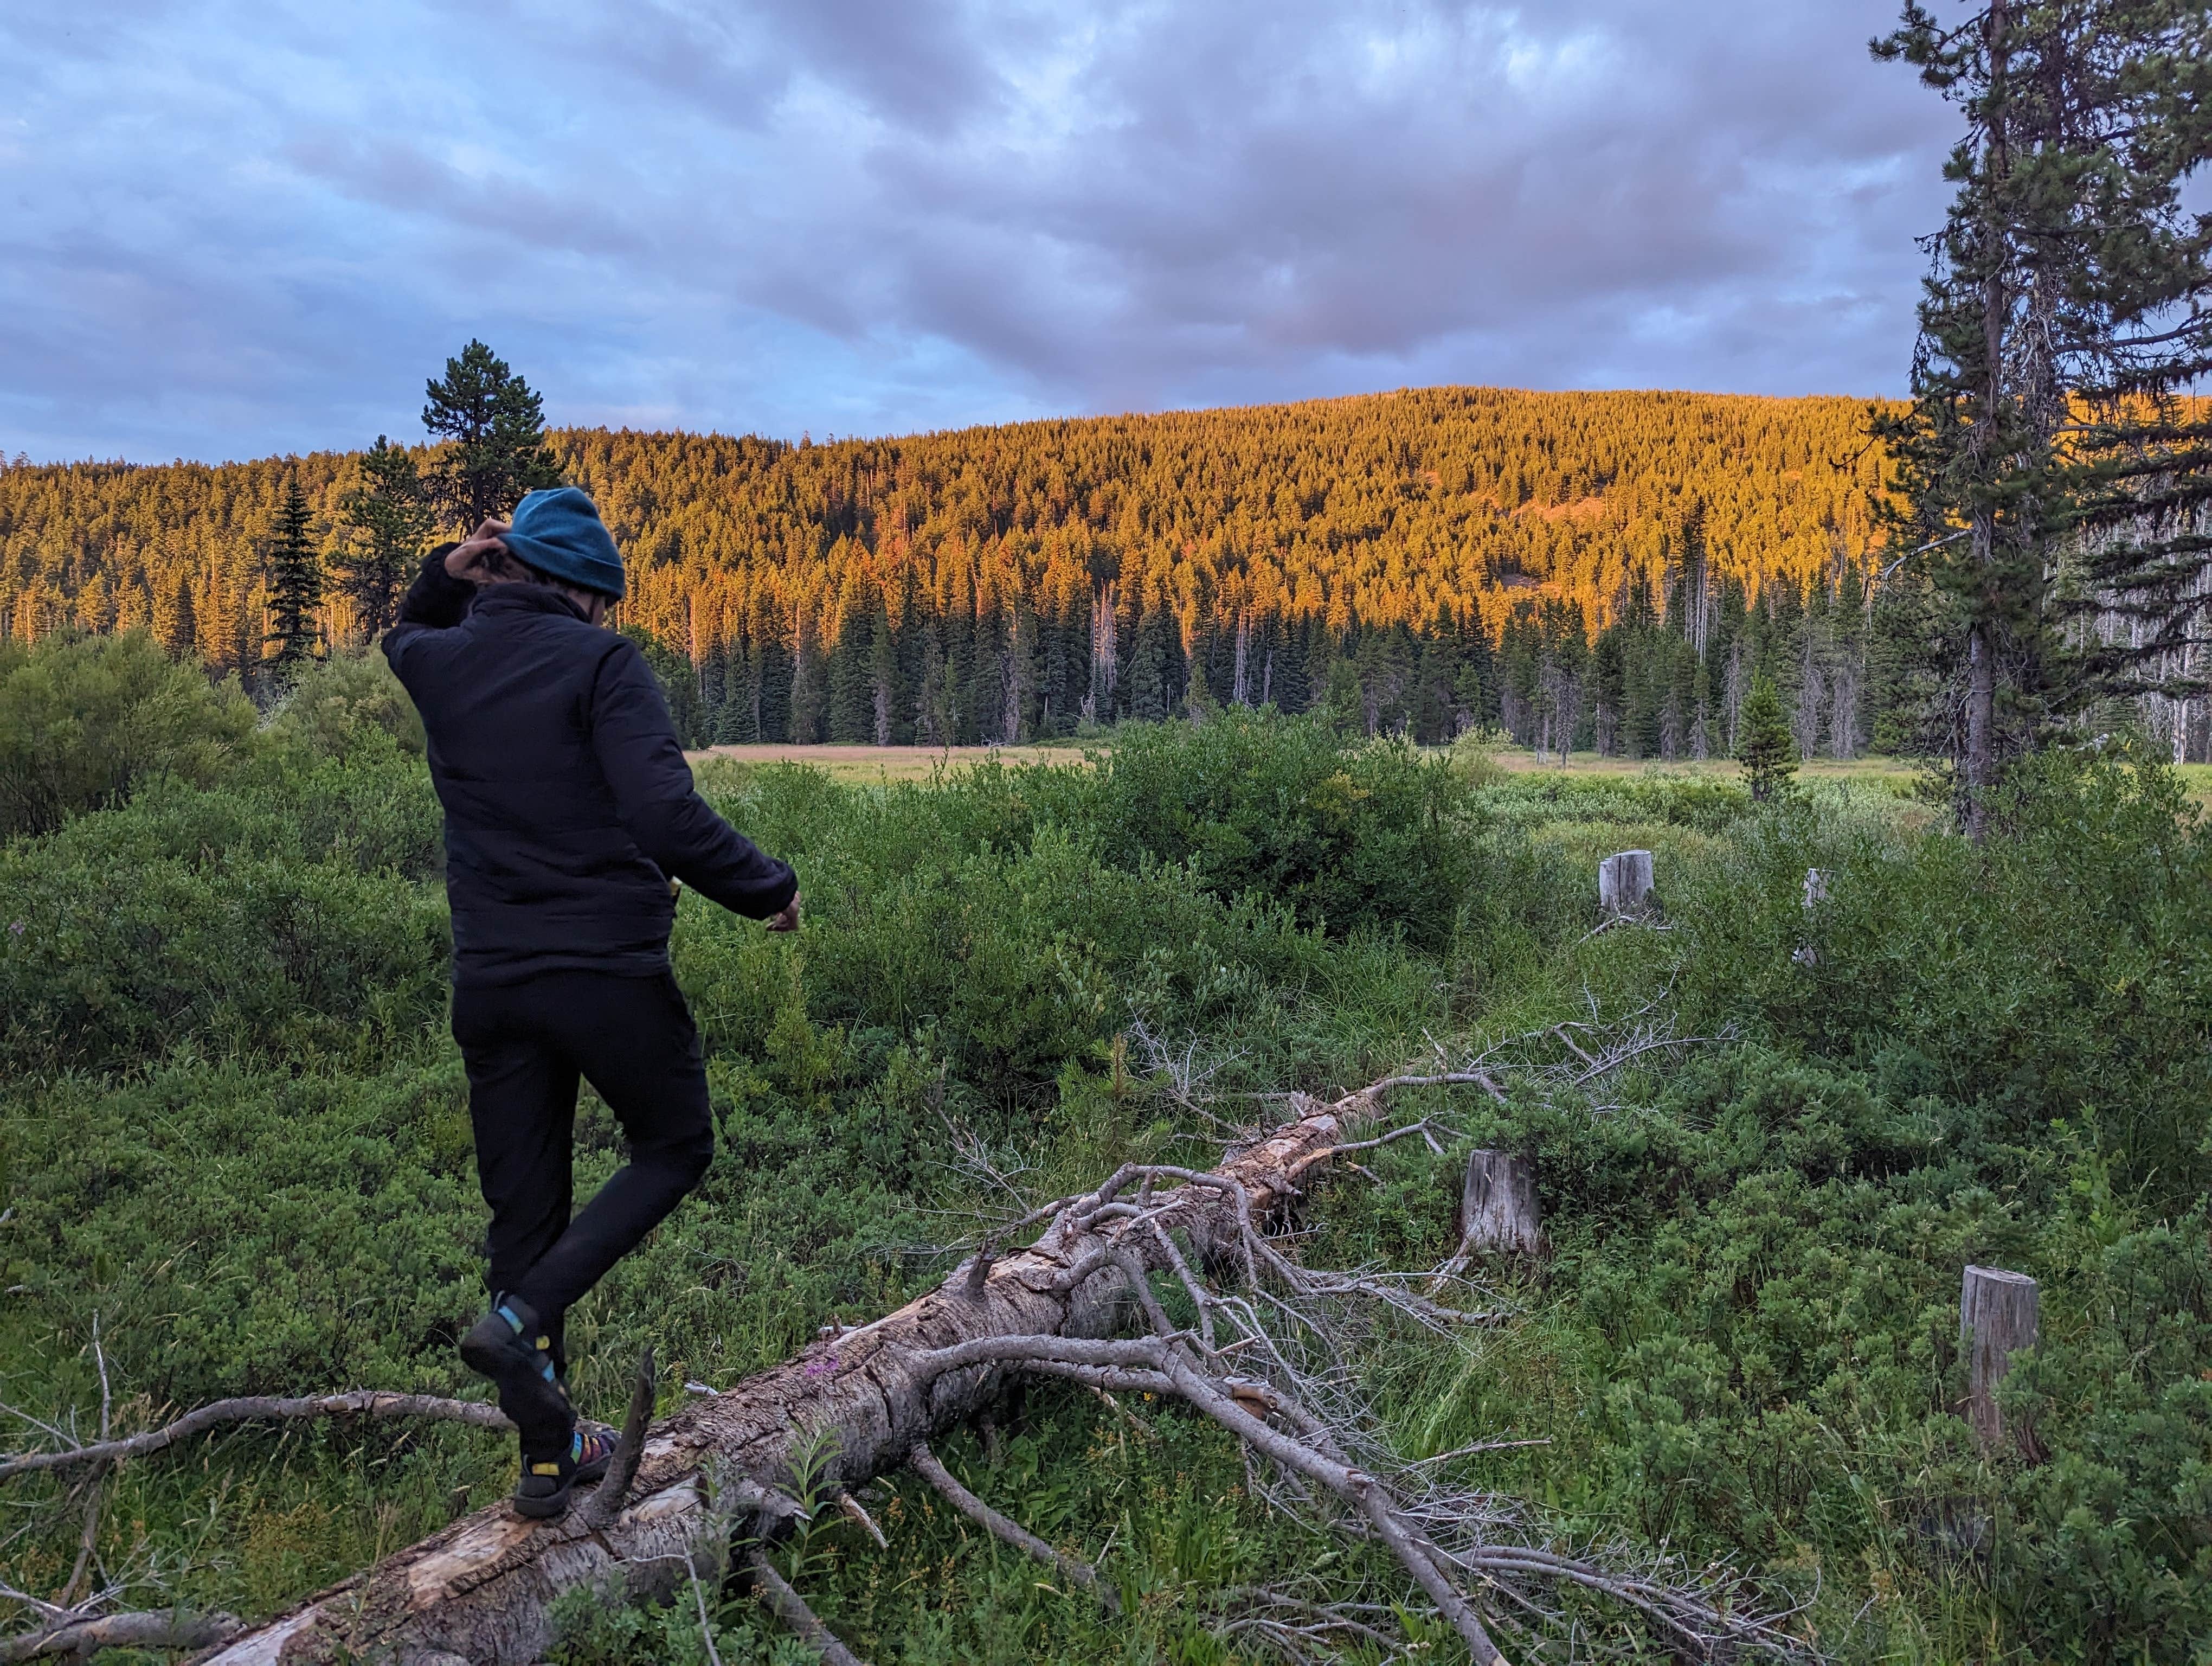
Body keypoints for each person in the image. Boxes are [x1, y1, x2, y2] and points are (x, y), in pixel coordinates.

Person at [384, 485, 800, 1518]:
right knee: (677, 1146)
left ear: (508, 569)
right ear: (583, 595)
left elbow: (403, 628)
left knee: (524, 1212)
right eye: (604, 602)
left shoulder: (442, 668)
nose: (609, 621)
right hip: (604, 974)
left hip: (491, 985)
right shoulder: (602, 665)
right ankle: (522, 1321)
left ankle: (545, 1458)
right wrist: (769, 888)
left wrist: (448, 571)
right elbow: (665, 812)